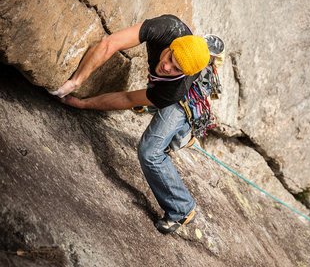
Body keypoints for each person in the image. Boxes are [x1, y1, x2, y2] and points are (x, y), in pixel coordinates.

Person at [50, 14, 210, 234]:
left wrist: (83, 104)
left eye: (175, 68)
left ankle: (181, 209)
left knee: (150, 152)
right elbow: (110, 43)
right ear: (172, 45)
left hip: (185, 98)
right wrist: (76, 80)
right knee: (160, 110)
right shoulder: (166, 27)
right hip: (185, 73)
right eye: (171, 58)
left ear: (183, 73)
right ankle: (181, 135)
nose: (166, 66)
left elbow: (127, 100)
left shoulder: (173, 90)